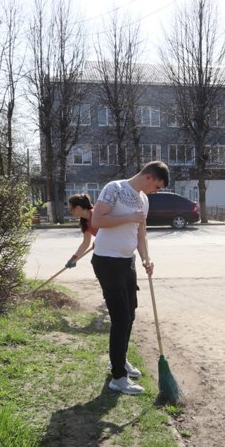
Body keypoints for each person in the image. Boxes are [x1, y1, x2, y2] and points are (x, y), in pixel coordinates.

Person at [91, 161, 169, 395]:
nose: (156, 191)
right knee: (120, 318)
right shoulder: (114, 188)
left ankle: (120, 360)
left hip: (127, 261)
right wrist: (129, 217)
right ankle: (118, 377)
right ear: (149, 177)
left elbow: (140, 232)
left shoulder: (144, 199)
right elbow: (97, 221)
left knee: (130, 314)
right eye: (157, 186)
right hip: (107, 260)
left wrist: (146, 257)